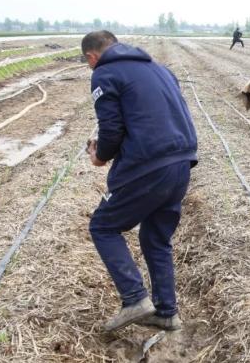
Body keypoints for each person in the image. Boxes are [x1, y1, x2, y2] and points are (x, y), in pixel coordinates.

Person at [82, 30, 198, 332]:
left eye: (89, 63)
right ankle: (167, 312)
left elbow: (111, 127)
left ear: (92, 57)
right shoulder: (160, 69)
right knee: (154, 238)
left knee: (103, 226)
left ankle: (134, 298)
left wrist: (100, 156)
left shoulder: (105, 72)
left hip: (149, 166)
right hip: (182, 162)